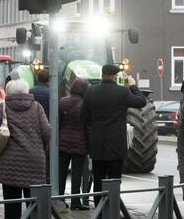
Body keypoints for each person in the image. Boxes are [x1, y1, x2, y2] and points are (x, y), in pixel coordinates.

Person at [0, 79, 51, 219]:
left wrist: (1, 141)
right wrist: (41, 147)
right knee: (33, 197)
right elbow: (47, 130)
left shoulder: (2, 108)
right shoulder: (36, 107)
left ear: (8, 91)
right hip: (34, 159)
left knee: (11, 198)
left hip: (9, 160)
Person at [81, 65, 146, 208]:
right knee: (114, 179)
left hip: (97, 143)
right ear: (114, 77)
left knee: (98, 178)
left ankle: (99, 210)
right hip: (116, 144)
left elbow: (84, 117)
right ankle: (113, 209)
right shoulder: (122, 92)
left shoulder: (91, 91)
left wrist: (95, 128)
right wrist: (133, 86)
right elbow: (141, 101)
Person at [59, 77, 90, 209]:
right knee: (77, 174)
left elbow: (58, 122)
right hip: (80, 143)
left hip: (63, 143)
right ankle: (76, 202)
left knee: (61, 173)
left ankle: (59, 199)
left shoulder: (62, 101)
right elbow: (88, 125)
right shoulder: (85, 105)